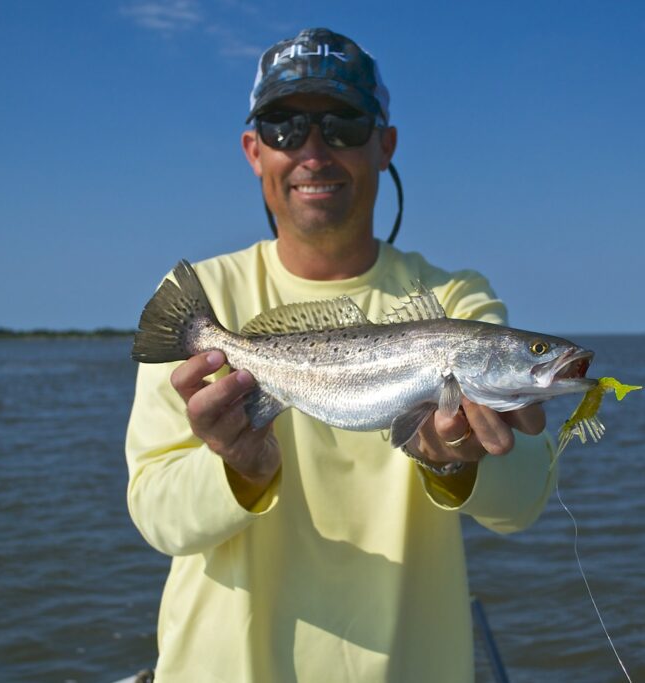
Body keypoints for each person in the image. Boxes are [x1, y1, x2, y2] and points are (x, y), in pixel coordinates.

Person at [125, 27, 558, 683]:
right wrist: (237, 469)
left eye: (344, 123)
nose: (313, 150)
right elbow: (155, 513)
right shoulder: (199, 300)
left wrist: (455, 464)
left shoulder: (458, 300)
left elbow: (524, 499)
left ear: (385, 144)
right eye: (283, 126)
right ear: (253, 151)